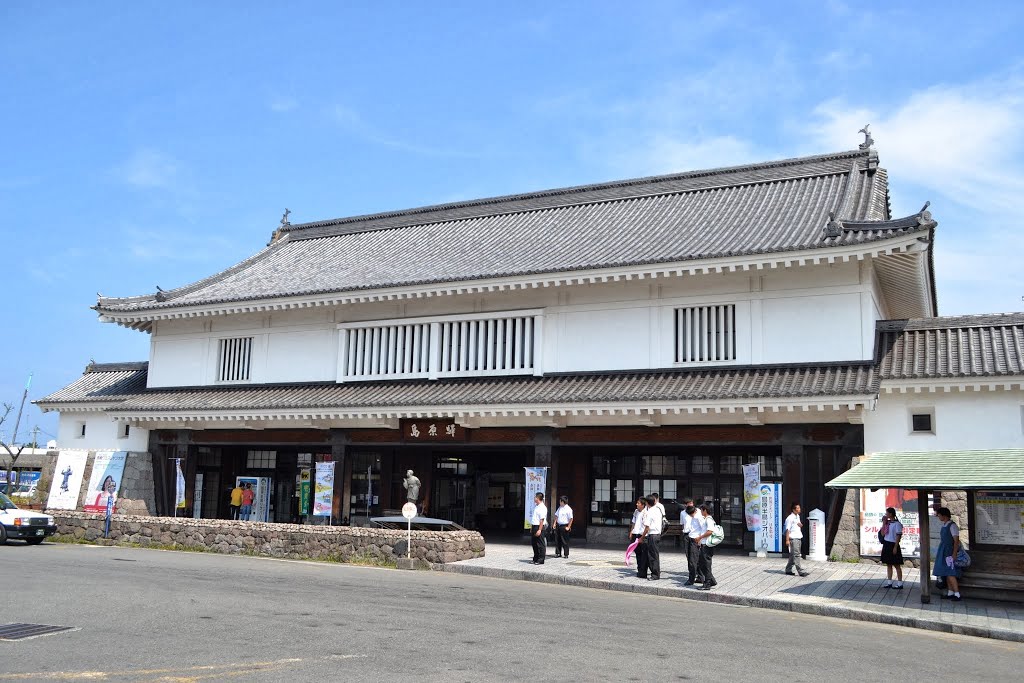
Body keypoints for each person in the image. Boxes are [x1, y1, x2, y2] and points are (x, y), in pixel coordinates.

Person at [933, 506, 963, 601]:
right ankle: (950, 592)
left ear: (944, 515)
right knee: (947, 572)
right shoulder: (945, 525)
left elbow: (956, 541)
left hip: (949, 551)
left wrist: (954, 554)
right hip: (944, 551)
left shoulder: (952, 526)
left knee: (950, 572)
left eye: (939, 515)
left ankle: (957, 594)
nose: (939, 517)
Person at [880, 507, 905, 589]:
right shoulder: (887, 523)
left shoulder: (897, 524)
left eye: (887, 513)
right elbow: (883, 534)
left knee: (897, 565)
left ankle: (900, 583)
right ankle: (889, 582)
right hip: (886, 544)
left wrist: (895, 547)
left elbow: (898, 536)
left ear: (891, 514)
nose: (886, 515)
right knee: (888, 564)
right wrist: (884, 523)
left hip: (893, 544)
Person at [694, 504, 718, 590]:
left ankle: (707, 583)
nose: (700, 512)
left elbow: (710, 531)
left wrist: (700, 537)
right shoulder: (706, 519)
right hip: (704, 544)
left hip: (707, 545)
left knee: (706, 564)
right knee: (702, 563)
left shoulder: (709, 520)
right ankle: (711, 580)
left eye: (701, 510)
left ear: (705, 510)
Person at [682, 497, 705, 585]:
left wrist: (700, 539)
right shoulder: (691, 517)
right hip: (691, 538)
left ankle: (693, 579)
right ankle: (700, 577)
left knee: (693, 560)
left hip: (696, 540)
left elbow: (704, 529)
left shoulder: (698, 517)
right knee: (693, 560)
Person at [640, 494, 663, 581]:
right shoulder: (658, 509)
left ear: (647, 503)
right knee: (655, 555)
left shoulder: (650, 512)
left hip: (653, 535)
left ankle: (655, 574)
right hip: (657, 534)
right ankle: (656, 573)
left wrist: (642, 537)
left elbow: (647, 527)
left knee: (652, 556)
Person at [784, 502, 810, 577]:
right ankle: (800, 571)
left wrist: (800, 525)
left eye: (799, 508)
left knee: (793, 555)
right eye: (797, 508)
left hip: (798, 537)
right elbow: (787, 530)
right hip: (793, 539)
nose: (799, 509)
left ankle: (788, 569)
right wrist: (787, 540)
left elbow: (798, 524)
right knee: (797, 555)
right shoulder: (790, 518)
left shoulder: (797, 516)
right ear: (793, 510)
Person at [629, 497, 649, 579]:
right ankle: (639, 569)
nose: (637, 504)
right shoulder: (636, 511)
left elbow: (647, 526)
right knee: (637, 553)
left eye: (638, 503)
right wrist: (631, 531)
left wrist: (643, 537)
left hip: (642, 535)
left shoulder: (646, 513)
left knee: (644, 554)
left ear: (643, 505)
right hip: (635, 534)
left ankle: (643, 572)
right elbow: (633, 522)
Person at [530, 492, 548, 565]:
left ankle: (541, 559)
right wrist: (532, 527)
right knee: (534, 543)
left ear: (538, 498)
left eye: (535, 497)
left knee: (540, 544)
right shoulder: (536, 506)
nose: (534, 498)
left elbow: (542, 519)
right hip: (534, 526)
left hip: (539, 526)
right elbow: (534, 518)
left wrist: (540, 529)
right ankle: (535, 558)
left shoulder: (542, 507)